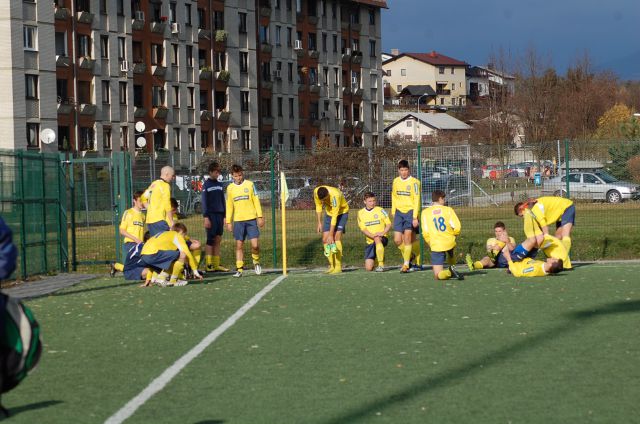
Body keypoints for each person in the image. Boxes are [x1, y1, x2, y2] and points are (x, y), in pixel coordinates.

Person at [225, 164, 264, 278]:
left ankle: (256, 262)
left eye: (240, 175)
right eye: (236, 176)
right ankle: (239, 269)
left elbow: (256, 201)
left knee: (255, 245)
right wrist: (228, 221)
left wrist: (260, 216)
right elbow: (229, 205)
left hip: (251, 219)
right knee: (239, 245)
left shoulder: (250, 184)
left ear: (242, 174)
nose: (238, 178)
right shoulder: (230, 188)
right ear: (232, 176)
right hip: (238, 221)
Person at [420, 190, 463, 280]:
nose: (444, 201)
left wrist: (429, 242)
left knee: (438, 275)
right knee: (450, 249)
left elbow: (425, 231)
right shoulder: (448, 210)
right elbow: (457, 227)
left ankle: (448, 272)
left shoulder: (425, 213)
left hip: (436, 244)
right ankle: (452, 267)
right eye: (444, 199)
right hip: (449, 241)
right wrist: (454, 235)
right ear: (440, 199)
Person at [391, 159, 421, 273]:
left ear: (409, 170)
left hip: (410, 212)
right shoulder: (395, 181)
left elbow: (417, 200)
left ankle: (406, 264)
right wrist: (394, 211)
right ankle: (411, 255)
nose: (403, 172)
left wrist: (414, 217)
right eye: (401, 170)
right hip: (398, 213)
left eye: (406, 170)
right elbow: (394, 196)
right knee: (398, 240)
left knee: (408, 238)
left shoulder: (415, 182)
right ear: (398, 170)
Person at [314, 184, 349, 274]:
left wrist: (331, 235)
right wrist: (319, 222)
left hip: (341, 213)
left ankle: (338, 267)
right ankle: (331, 266)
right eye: (323, 200)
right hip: (329, 214)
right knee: (325, 240)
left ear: (328, 195)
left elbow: (335, 216)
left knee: (336, 238)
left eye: (325, 199)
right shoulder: (316, 192)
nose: (324, 201)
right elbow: (318, 207)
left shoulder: (335, 195)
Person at [202, 162, 229, 272]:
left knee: (218, 239)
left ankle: (216, 264)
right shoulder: (206, 185)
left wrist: (225, 216)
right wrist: (206, 217)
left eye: (218, 172)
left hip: (219, 215)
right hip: (211, 215)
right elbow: (204, 202)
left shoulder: (219, 184)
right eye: (215, 172)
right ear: (210, 172)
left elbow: (223, 200)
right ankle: (209, 265)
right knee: (210, 239)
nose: (217, 174)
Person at [110, 191, 145, 277]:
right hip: (130, 243)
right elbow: (122, 230)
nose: (142, 203)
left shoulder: (143, 216)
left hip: (140, 244)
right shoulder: (128, 213)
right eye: (140, 200)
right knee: (134, 267)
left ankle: (116, 266)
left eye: (143, 201)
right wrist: (135, 239)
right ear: (134, 201)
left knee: (136, 266)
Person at [357, 192, 392, 272]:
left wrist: (383, 233)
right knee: (368, 268)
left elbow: (389, 224)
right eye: (370, 201)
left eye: (373, 201)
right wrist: (372, 235)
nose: (372, 203)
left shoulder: (381, 210)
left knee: (377, 238)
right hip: (370, 241)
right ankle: (378, 257)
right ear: (364, 201)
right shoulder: (360, 213)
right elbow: (363, 229)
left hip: (382, 237)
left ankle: (381, 265)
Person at [170, 198, 202, 274]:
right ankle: (182, 269)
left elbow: (179, 231)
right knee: (183, 252)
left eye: (176, 209)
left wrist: (189, 239)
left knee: (197, 245)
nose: (175, 211)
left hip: (181, 240)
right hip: (174, 243)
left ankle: (193, 268)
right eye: (173, 209)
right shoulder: (164, 218)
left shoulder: (174, 217)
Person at [141, 165, 176, 236]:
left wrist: (150, 208)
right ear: (167, 174)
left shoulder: (153, 184)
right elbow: (167, 204)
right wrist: (171, 221)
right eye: (172, 176)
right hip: (160, 219)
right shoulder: (165, 186)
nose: (173, 178)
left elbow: (143, 198)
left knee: (156, 243)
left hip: (150, 220)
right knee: (164, 243)